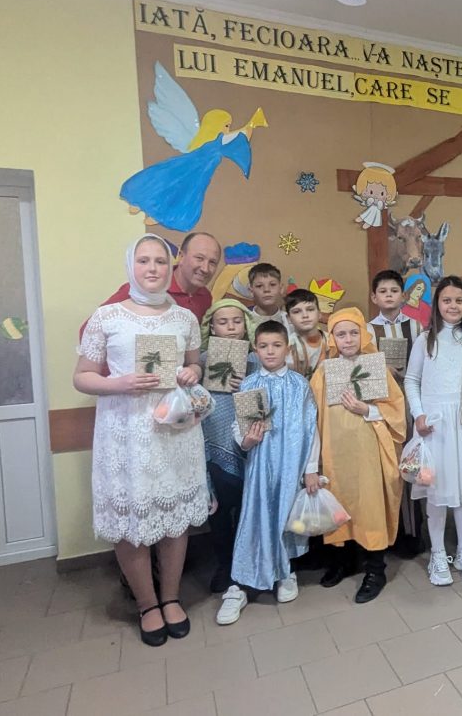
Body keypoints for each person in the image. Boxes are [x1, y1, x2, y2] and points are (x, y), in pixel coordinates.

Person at [74, 234, 208, 647]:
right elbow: (82, 377)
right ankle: (147, 604)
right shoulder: (106, 317)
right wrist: (119, 382)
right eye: (144, 260)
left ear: (172, 268)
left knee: (174, 518)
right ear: (130, 265)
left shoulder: (184, 317)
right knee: (131, 522)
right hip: (126, 433)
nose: (153, 268)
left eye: (161, 262)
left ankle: (170, 598)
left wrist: (192, 374)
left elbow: (194, 366)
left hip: (176, 433)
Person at [216, 321, 319, 625]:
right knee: (257, 515)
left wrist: (311, 468)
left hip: (292, 465)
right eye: (263, 346)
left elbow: (313, 429)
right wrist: (246, 441)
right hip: (261, 466)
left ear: (287, 348)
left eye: (276, 345)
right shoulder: (249, 386)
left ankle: (285, 572)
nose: (270, 351)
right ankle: (241, 582)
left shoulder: (300, 385)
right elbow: (240, 429)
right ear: (255, 349)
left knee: (286, 516)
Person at [308, 308, 406, 603]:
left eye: (353, 332)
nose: (348, 339)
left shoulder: (376, 367)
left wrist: (368, 410)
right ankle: (343, 560)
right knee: (340, 504)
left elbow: (397, 412)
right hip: (336, 455)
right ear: (332, 337)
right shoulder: (324, 372)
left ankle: (376, 569)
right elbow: (311, 418)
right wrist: (314, 462)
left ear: (363, 333)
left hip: (368, 454)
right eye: (341, 333)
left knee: (370, 506)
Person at [404, 276, 462, 586]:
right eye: (447, 300)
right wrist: (418, 414)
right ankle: (439, 553)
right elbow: (411, 380)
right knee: (437, 493)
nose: (453, 305)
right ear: (437, 304)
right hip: (435, 427)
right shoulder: (425, 339)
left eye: (458, 300)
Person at [199, 299, 257, 593]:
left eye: (236, 321)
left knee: (251, 509)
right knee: (220, 511)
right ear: (211, 326)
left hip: (252, 447)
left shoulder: (257, 359)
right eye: (223, 322)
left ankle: (252, 565)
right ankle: (225, 565)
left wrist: (250, 382)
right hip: (215, 445)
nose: (231, 327)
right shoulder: (200, 361)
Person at [368, 269, 425, 556]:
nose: (388, 295)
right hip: (382, 410)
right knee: (389, 468)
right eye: (383, 291)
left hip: (412, 406)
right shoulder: (367, 330)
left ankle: (414, 533)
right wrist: (382, 368)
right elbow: (362, 370)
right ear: (374, 296)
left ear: (403, 295)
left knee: (412, 464)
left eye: (394, 291)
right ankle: (389, 532)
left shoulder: (416, 327)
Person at [81, 231, 221, 337]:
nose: (205, 268)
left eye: (212, 262)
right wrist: (118, 371)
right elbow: (87, 332)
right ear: (181, 256)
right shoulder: (138, 291)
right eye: (199, 258)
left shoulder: (205, 297)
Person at [286, 288, 326, 378]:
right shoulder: (287, 347)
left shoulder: (332, 341)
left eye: (310, 309)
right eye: (296, 311)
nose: (305, 315)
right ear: (288, 318)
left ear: (319, 314)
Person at [248, 263, 292, 332]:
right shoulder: (244, 322)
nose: (266, 290)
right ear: (251, 291)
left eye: (272, 284)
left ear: (281, 288)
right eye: (259, 286)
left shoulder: (290, 321)